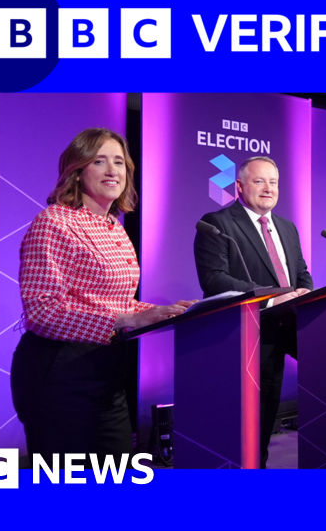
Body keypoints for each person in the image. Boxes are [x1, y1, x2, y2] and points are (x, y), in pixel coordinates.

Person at [12, 128, 196, 466]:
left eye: (119, 162)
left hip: (107, 373)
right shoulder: (53, 223)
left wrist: (163, 312)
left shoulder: (114, 226)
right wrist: (127, 319)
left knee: (117, 470)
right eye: (99, 161)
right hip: (59, 374)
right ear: (77, 171)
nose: (113, 171)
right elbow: (42, 312)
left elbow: (118, 304)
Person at [193, 156, 313, 468]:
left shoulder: (287, 227)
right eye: (259, 181)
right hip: (243, 336)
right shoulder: (218, 224)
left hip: (286, 331)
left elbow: (301, 273)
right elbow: (214, 279)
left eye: (273, 182)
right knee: (241, 423)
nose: (268, 188)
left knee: (266, 418)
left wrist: (304, 293)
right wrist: (273, 298)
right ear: (240, 186)